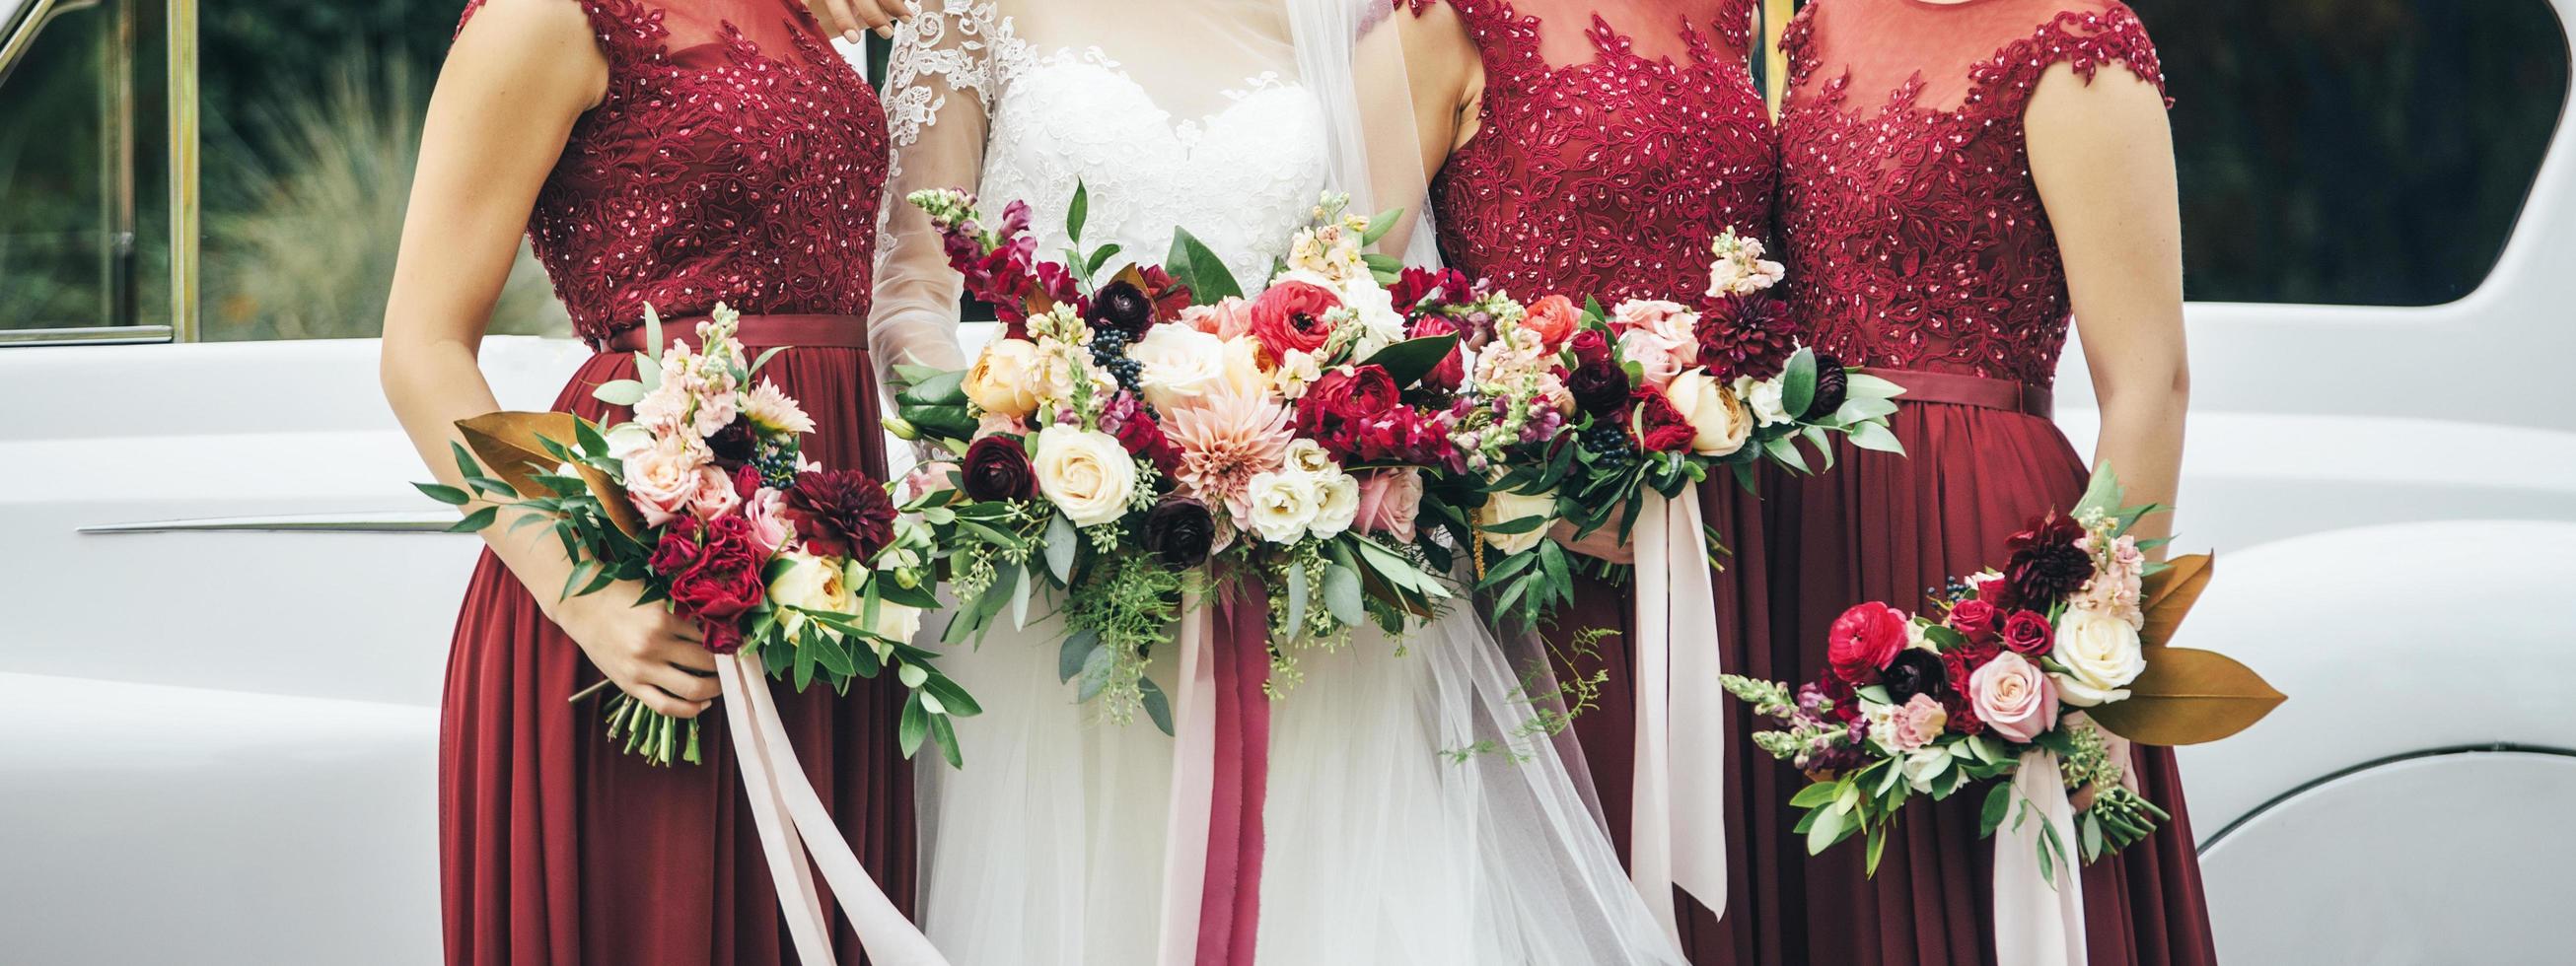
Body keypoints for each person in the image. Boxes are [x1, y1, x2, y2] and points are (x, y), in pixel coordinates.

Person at [835, 0, 1682, 961]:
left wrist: (1305, 453)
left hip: (1292, 565)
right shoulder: (965, 10)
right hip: (1052, 548)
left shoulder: (1355, 21)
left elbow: (1360, 284)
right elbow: (912, 286)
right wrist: (1001, 450)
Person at [380, 0, 917, 960]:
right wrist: (585, 598)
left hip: (826, 577)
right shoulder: (545, 15)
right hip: (641, 573)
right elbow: (420, 352)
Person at [1759, 0, 2215, 962]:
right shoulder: (1821, 18)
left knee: (1978, 890)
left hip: (1971, 532)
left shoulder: (2078, 41)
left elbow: (2148, 385)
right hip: (1803, 526)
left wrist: (2089, 650)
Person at [1395, 1, 1782, 959]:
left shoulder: (1728, 13)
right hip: (1545, 550)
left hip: (1728, 529)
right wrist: (1510, 467)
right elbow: (1355, 288)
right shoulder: (1446, 20)